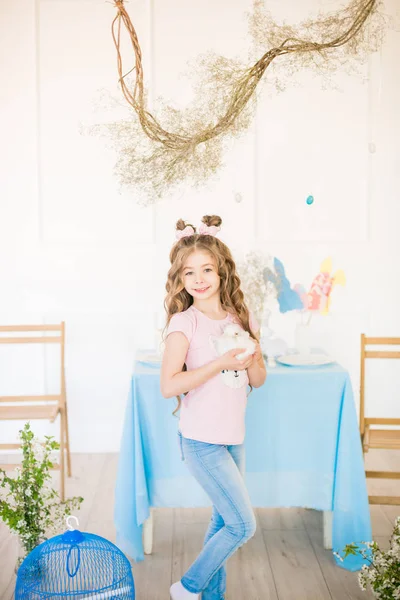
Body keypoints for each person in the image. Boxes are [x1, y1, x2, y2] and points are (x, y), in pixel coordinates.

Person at [160, 214, 267, 600]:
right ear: (181, 280)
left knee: (223, 521)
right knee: (242, 526)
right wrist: (220, 363)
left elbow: (258, 379)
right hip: (201, 441)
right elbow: (168, 385)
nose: (199, 279)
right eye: (190, 273)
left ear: (222, 272)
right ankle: (188, 587)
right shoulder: (183, 324)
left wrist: (251, 353)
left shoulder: (241, 316)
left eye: (207, 269)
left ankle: (210, 597)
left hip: (232, 436)